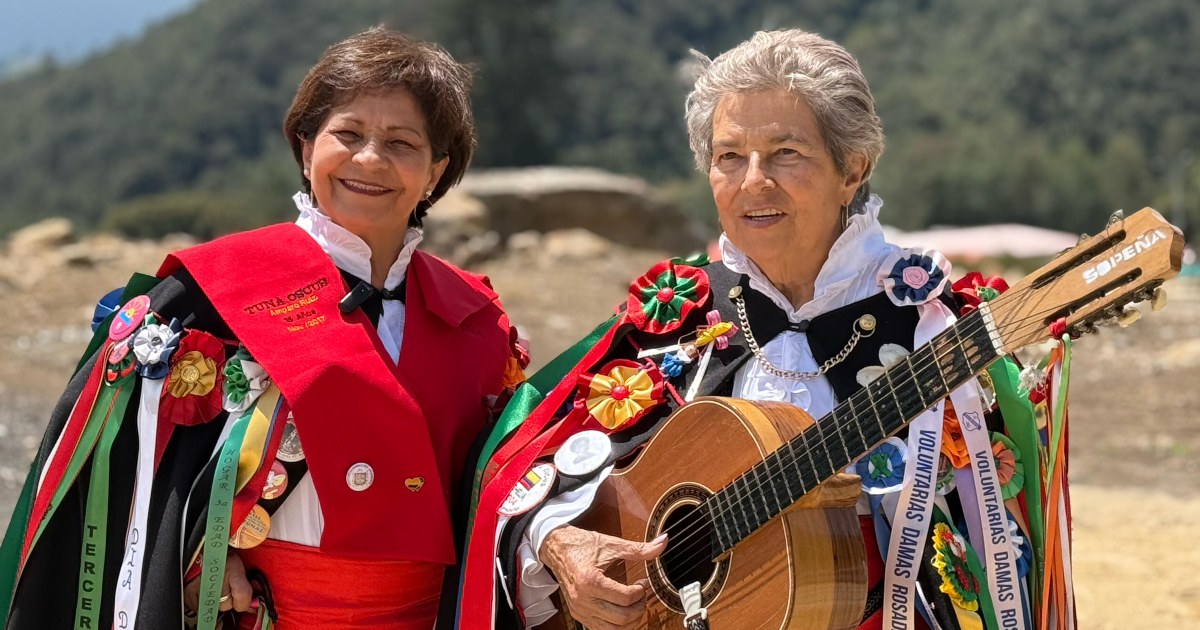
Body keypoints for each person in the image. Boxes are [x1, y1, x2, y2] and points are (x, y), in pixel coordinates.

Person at [458, 29, 1055, 630]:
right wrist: (561, 543)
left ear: (852, 168)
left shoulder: (935, 323)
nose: (752, 181)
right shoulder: (684, 309)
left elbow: (995, 551)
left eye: (785, 153)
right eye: (729, 157)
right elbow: (521, 460)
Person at [0, 27, 528, 630]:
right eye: (348, 134)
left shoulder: (475, 318)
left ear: (436, 171)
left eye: (402, 143)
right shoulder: (217, 290)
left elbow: (499, 483)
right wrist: (193, 552)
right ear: (306, 148)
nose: (370, 159)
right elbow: (135, 472)